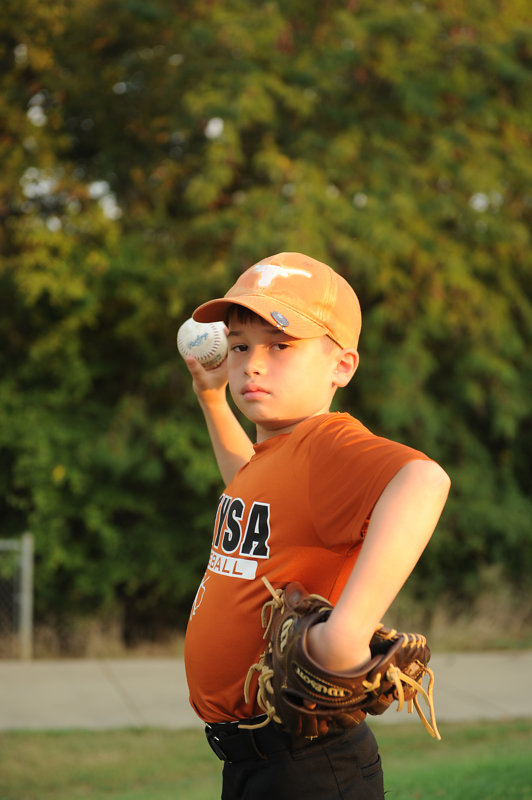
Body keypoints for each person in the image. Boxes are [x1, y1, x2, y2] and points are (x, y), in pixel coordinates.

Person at [183, 252, 450, 800]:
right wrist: (212, 400)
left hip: (309, 763)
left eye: (280, 346)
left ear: (341, 366)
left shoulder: (325, 442)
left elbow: (424, 479)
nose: (252, 364)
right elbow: (249, 481)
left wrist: (345, 634)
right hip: (259, 763)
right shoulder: (279, 455)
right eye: (240, 346)